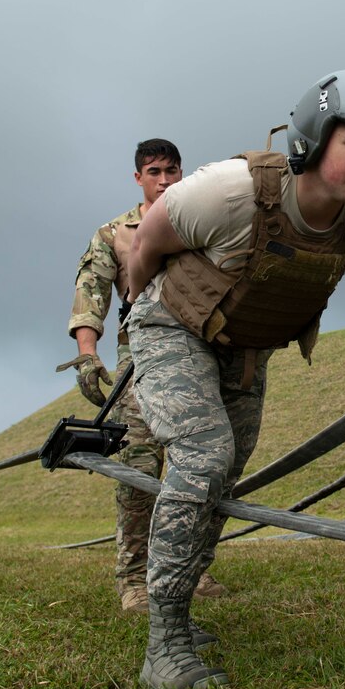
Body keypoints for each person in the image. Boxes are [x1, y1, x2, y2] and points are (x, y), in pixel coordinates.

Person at [125, 69, 345, 689]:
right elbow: (144, 246)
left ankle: (181, 613)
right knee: (203, 455)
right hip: (170, 326)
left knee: (225, 471)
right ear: (314, 138)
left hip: (244, 349)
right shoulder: (230, 193)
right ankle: (163, 640)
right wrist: (135, 338)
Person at [59, 139, 228, 614]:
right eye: (155, 171)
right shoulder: (115, 232)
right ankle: (135, 578)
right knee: (138, 471)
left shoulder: (203, 226)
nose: (165, 180)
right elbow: (90, 294)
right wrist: (88, 356)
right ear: (139, 177)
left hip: (202, 360)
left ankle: (187, 568)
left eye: (172, 171)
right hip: (143, 365)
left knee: (199, 469)